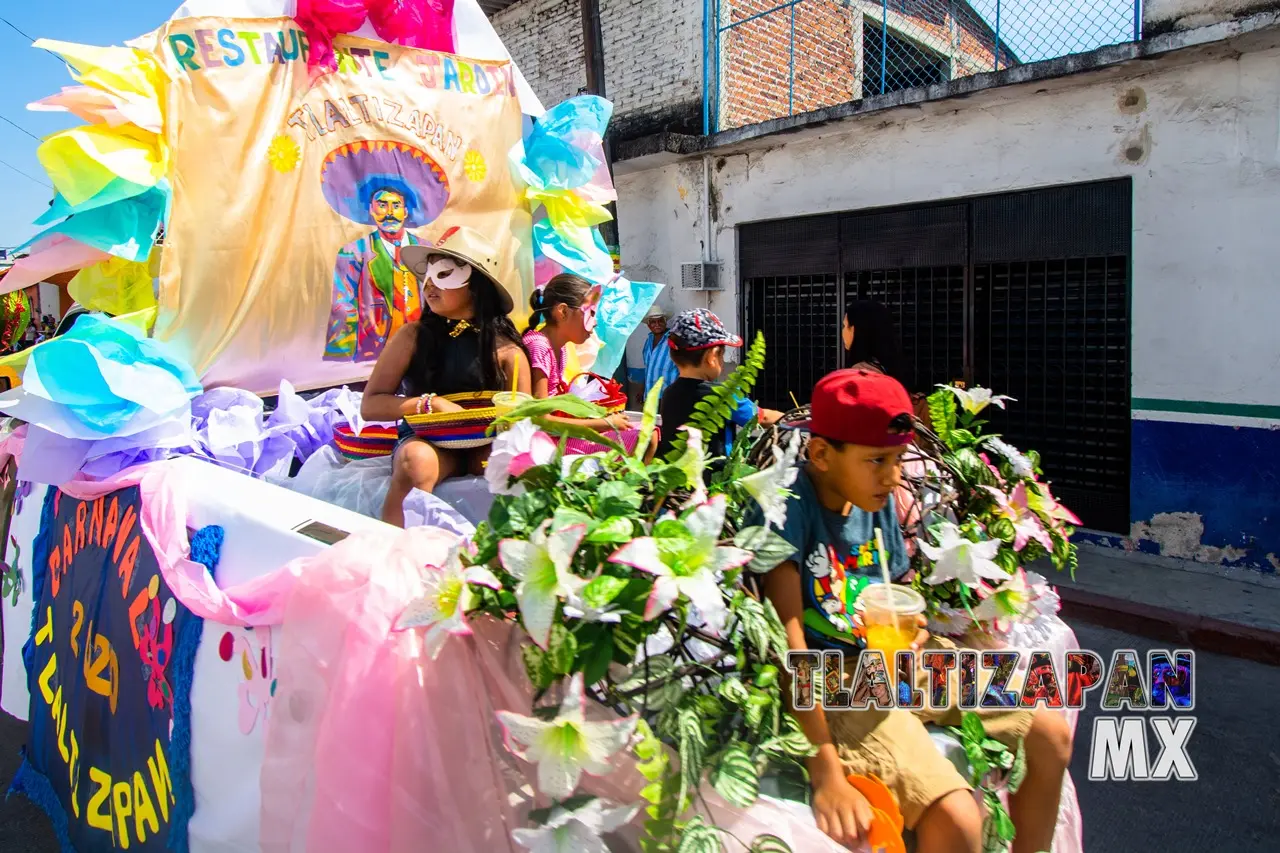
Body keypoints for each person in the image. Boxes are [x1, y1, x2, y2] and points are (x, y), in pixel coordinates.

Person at [761, 369, 1072, 853]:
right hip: (837, 681)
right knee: (957, 819)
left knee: (1049, 733)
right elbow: (789, 643)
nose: (893, 475)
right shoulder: (787, 506)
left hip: (898, 664)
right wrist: (825, 769)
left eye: (899, 459)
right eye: (877, 460)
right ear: (821, 454)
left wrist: (920, 630)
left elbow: (900, 593)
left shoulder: (875, 497)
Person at [360, 226, 531, 528]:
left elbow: (525, 419)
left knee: (517, 466)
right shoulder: (412, 336)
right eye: (427, 275)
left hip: (485, 442)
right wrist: (430, 405)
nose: (428, 286)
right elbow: (371, 404)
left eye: (445, 274)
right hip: (429, 440)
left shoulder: (508, 352)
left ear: (476, 286)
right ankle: (395, 552)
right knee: (416, 462)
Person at [320, 141, 451, 362]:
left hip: (425, 352)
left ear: (406, 211)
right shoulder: (353, 252)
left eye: (396, 205)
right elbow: (343, 308)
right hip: (375, 356)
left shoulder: (427, 249)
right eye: (382, 205)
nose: (389, 212)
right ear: (371, 210)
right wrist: (342, 362)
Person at [522, 274, 644, 453]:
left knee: (648, 432)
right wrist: (603, 423)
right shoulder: (539, 346)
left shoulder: (561, 349)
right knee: (641, 438)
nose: (594, 323)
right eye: (590, 313)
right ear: (563, 311)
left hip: (559, 436)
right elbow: (541, 419)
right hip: (545, 443)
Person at [656, 309, 783, 459]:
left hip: (678, 475)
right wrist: (798, 418)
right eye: (722, 355)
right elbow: (762, 418)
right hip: (714, 477)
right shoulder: (724, 396)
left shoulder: (669, 393)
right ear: (712, 356)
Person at [842, 299, 931, 425]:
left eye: (846, 326)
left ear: (858, 330)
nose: (843, 332)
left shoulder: (861, 373)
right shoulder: (894, 364)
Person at [640, 306, 679, 400]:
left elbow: (683, 367)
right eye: (653, 322)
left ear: (665, 322)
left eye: (660, 321)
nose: (657, 324)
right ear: (648, 325)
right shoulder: (648, 341)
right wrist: (642, 390)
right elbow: (648, 369)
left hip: (669, 397)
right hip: (650, 396)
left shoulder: (674, 339)